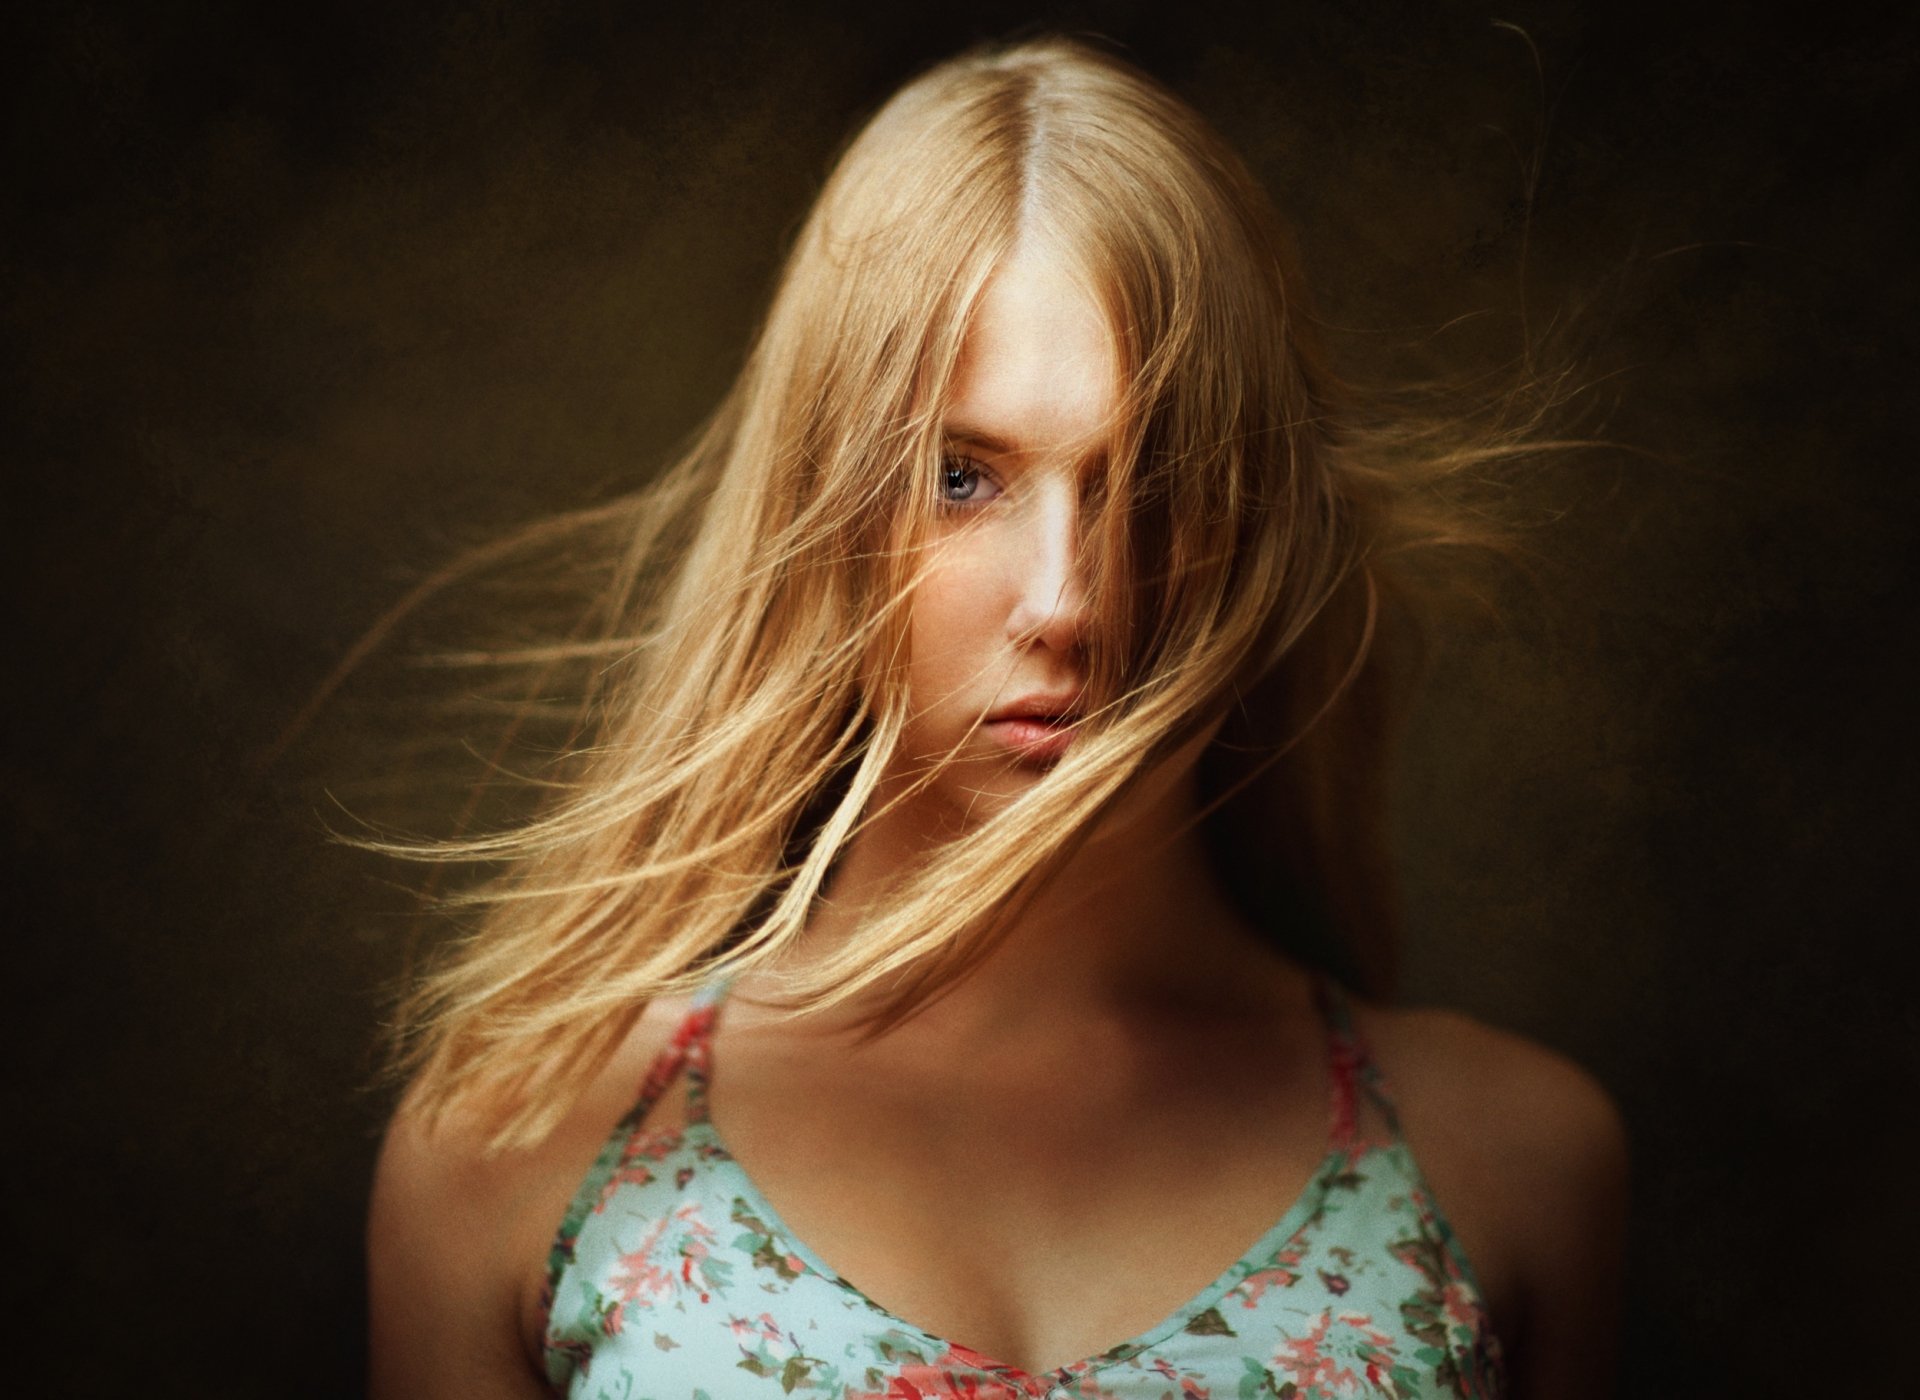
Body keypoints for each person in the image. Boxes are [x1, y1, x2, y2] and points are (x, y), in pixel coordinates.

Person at [367, 37, 1628, 1400]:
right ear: (817, 510)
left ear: (1257, 532)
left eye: (1155, 482)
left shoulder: (1512, 1164)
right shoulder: (522, 1143)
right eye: (960, 478)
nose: (1067, 598)